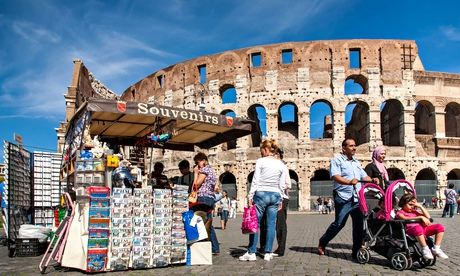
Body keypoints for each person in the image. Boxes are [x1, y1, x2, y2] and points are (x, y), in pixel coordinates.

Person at [318, 138, 378, 260]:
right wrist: (349, 182)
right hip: (343, 196)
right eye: (351, 146)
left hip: (357, 198)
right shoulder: (336, 160)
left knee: (359, 225)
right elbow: (335, 176)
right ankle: (323, 241)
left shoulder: (356, 162)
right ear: (344, 148)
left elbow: (363, 176)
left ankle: (355, 252)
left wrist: (372, 180)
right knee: (339, 224)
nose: (354, 147)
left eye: (355, 145)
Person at [239, 139, 287, 262]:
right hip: (275, 195)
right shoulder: (281, 164)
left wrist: (250, 196)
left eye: (261, 151)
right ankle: (268, 252)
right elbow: (281, 184)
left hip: (261, 194)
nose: (261, 153)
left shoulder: (261, 161)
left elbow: (255, 180)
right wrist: (281, 198)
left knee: (255, 223)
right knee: (271, 225)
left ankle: (251, 252)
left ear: (265, 150)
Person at [396, 193, 448, 259]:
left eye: (413, 205)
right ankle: (425, 249)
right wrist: (420, 217)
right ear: (403, 204)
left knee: (439, 227)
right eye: (410, 205)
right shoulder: (400, 212)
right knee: (418, 228)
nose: (412, 206)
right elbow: (404, 218)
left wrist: (420, 206)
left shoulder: (414, 212)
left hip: (423, 229)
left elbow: (428, 217)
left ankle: (436, 248)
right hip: (411, 231)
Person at [189, 152, 220, 254]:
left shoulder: (205, 170)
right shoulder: (211, 171)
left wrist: (195, 173)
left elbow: (196, 184)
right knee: (208, 223)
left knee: (203, 223)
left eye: (198, 162)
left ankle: (211, 247)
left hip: (204, 198)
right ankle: (214, 247)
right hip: (209, 198)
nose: (198, 165)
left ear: (203, 161)